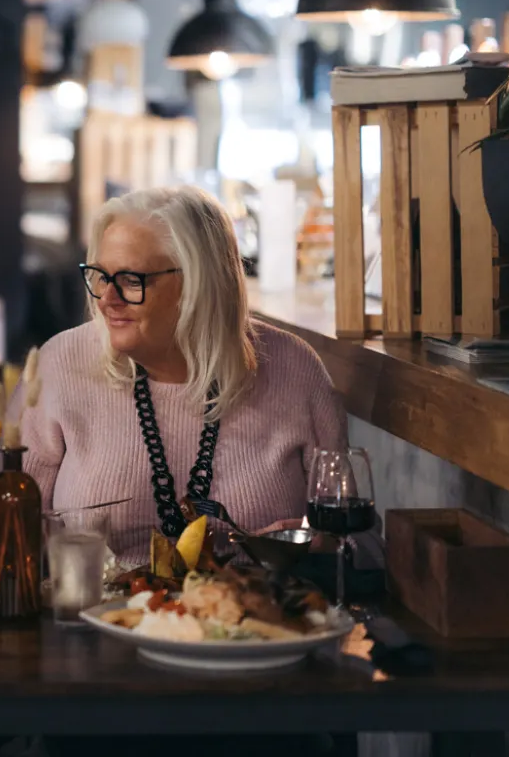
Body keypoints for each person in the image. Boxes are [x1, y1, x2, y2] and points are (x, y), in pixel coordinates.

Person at [18, 184, 348, 569]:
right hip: (97, 620)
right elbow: (11, 534)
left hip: (253, 619)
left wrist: (321, 546)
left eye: (131, 279)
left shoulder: (296, 372)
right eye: (100, 276)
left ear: (198, 285)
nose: (107, 300)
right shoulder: (59, 367)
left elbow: (353, 545)